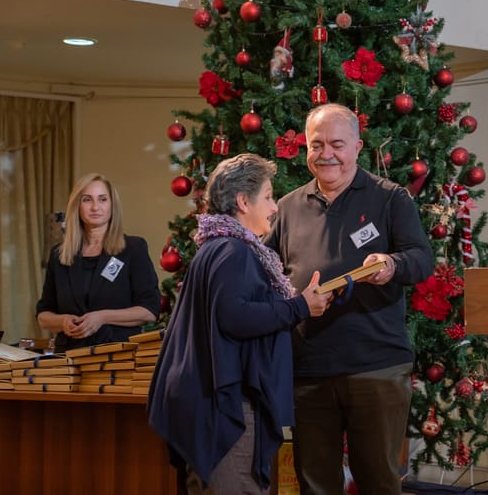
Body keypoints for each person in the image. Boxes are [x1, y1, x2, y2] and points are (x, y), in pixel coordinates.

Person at [264, 103, 434, 494]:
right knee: (314, 483)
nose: (326, 154)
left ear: (358, 146)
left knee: (378, 481)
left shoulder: (391, 199)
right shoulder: (287, 207)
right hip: (308, 367)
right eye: (316, 144)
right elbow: (265, 271)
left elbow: (422, 259)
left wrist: (392, 264)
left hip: (376, 365)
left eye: (337, 144)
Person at [148, 154, 331, 494]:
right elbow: (235, 316)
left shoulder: (216, 248)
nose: (275, 207)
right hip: (227, 408)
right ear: (243, 201)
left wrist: (297, 304)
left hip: (210, 404)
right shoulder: (234, 251)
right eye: (268, 196)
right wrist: (300, 306)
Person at [36, 173, 160, 352]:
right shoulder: (59, 255)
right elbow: (43, 314)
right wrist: (62, 322)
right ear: (77, 206)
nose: (95, 207)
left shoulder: (133, 249)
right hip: (69, 357)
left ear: (112, 206)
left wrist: (102, 317)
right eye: (87, 200)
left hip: (118, 357)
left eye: (102, 199)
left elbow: (149, 310)